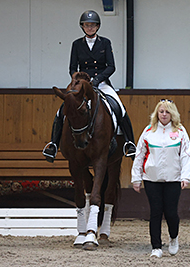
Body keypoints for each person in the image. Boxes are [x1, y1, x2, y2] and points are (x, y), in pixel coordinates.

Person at [42, 10, 136, 162]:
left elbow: (111, 66)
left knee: (119, 107)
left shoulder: (105, 43)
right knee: (62, 111)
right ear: (82, 26)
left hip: (102, 82)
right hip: (81, 85)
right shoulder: (77, 44)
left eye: (92, 25)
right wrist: (77, 79)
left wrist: (98, 79)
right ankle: (53, 144)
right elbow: (73, 67)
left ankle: (129, 143)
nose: (90, 28)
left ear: (97, 27)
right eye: (87, 25)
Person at [131, 99, 190, 258]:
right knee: (155, 212)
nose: (164, 115)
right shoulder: (148, 131)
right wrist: (136, 178)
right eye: (161, 111)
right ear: (157, 113)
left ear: (173, 114)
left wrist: (186, 176)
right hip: (152, 179)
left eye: (167, 112)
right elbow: (139, 155)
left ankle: (173, 237)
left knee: (171, 213)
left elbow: (186, 156)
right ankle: (156, 247)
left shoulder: (180, 131)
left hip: (173, 180)